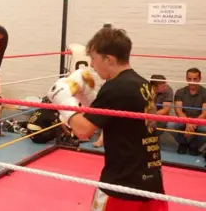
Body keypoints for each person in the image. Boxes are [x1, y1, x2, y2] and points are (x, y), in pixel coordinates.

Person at [47, 27, 168, 211]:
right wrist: (88, 99)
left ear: (108, 59)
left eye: (94, 59)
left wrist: (62, 100)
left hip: (122, 184)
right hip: (152, 181)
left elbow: (83, 131)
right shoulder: (142, 83)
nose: (92, 65)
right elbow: (116, 118)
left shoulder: (115, 87)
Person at [167, 68, 206, 155]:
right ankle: (183, 143)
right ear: (186, 78)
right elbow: (178, 110)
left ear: (199, 79)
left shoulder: (205, 92)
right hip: (184, 120)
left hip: (199, 121)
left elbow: (205, 113)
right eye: (189, 79)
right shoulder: (180, 92)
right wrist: (188, 123)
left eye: (195, 79)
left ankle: (194, 145)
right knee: (170, 125)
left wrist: (193, 124)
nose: (192, 81)